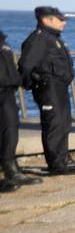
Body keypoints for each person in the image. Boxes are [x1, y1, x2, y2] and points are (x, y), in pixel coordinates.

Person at [19, 7, 75, 174]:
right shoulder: (39, 39)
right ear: (46, 20)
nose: (64, 22)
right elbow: (26, 65)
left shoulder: (53, 38)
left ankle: (63, 158)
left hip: (59, 87)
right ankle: (56, 165)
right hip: (48, 88)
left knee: (63, 123)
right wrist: (34, 83)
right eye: (59, 19)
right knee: (53, 124)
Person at [0, 28, 37, 191]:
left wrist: (20, 80)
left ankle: (11, 169)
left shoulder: (3, 42)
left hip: (7, 91)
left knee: (10, 130)